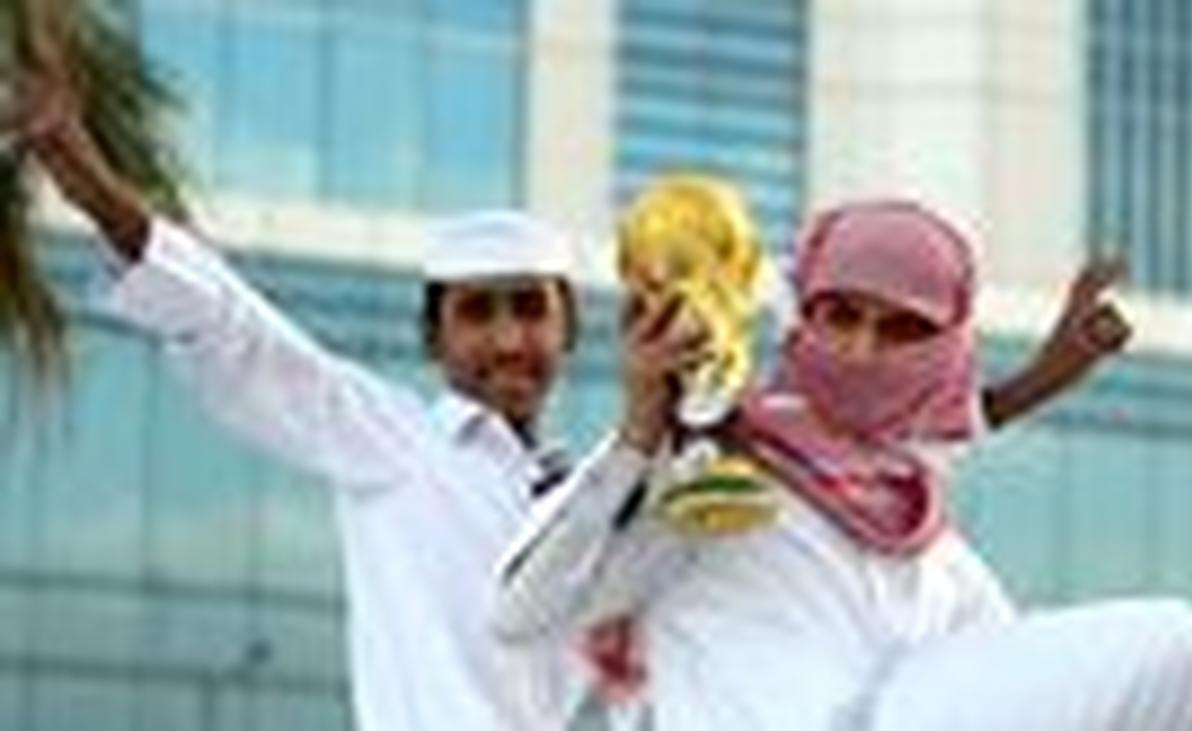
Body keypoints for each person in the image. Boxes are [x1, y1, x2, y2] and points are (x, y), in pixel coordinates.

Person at [13, 49, 703, 730]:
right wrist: (90, 182)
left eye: (529, 309)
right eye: (476, 313)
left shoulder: (592, 493)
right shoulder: (394, 441)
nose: (506, 341)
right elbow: (240, 335)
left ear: (569, 328)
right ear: (432, 338)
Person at [495, 200, 1192, 730]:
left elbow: (1022, 683)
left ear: (945, 350)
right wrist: (640, 429)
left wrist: (1047, 371)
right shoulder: (713, 470)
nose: (862, 351)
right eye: (841, 315)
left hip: (897, 704)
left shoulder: (933, 547)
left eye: (900, 329)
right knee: (1188, 646)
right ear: (803, 313)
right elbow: (523, 612)